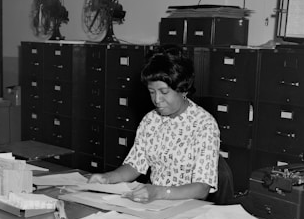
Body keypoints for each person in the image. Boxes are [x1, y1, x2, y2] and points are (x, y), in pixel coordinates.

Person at [88, 48, 220, 203]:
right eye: (152, 92)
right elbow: (135, 165)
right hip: (155, 201)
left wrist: (160, 192)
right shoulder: (151, 120)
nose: (157, 100)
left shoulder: (204, 124)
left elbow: (202, 188)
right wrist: (107, 178)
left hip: (187, 205)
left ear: (183, 89)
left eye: (164, 92)